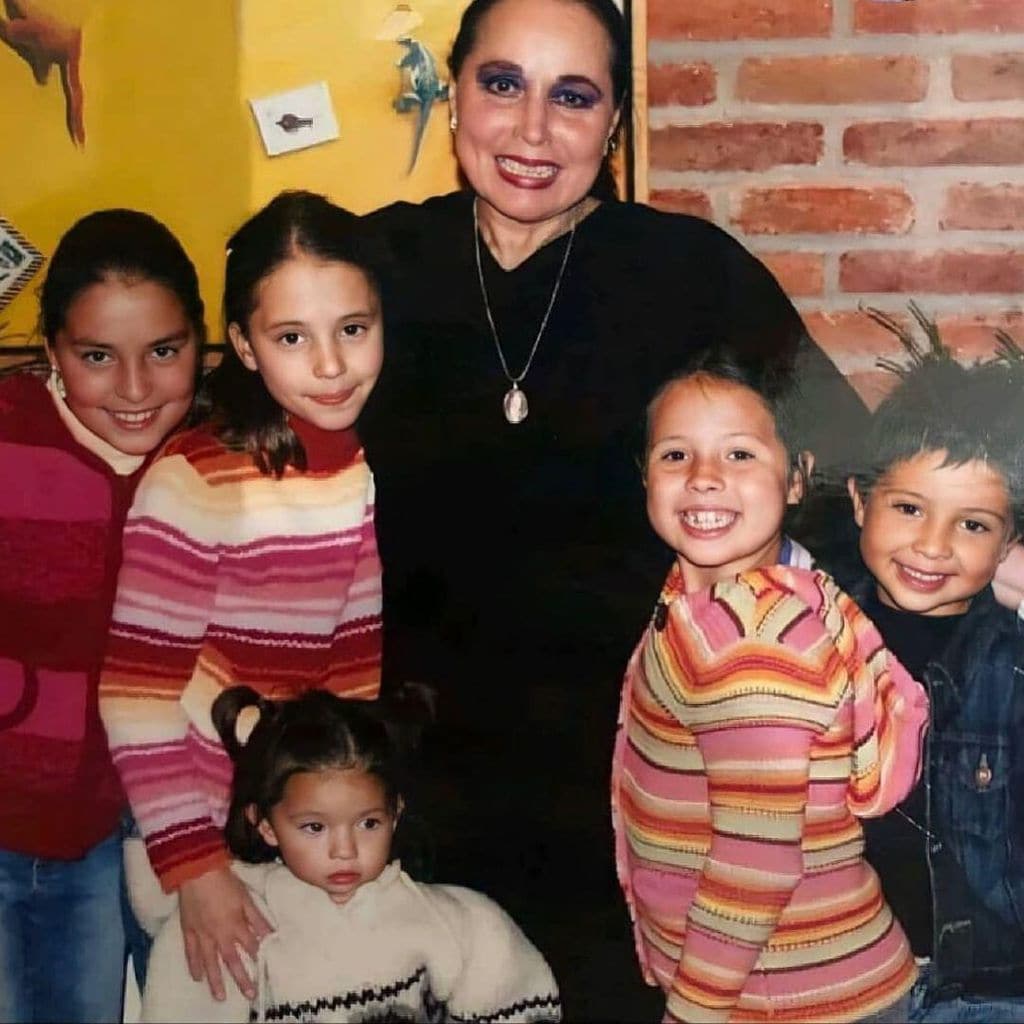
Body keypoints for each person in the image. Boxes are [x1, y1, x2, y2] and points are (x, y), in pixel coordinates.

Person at [356, 0, 868, 1015]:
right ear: (452, 89)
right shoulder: (370, 265)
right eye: (501, 83)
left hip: (634, 792)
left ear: (615, 122)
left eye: (573, 96)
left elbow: (840, 469)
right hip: (402, 791)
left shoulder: (688, 273)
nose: (532, 131)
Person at [99, 191, 384, 1007]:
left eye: (353, 330)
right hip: (192, 840)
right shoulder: (195, 480)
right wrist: (196, 871)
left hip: (296, 836)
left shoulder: (351, 470)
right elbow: (135, 696)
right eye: (292, 337)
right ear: (247, 348)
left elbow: (352, 680)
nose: (330, 366)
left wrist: (345, 822)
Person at [611, 350, 930, 1023]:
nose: (703, 479)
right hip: (778, 985)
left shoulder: (753, 642)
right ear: (644, 475)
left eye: (739, 456)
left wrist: (690, 1012)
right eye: (675, 455)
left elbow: (756, 866)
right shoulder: (710, 597)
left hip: (791, 1000)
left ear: (796, 480)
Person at [0, 208, 204, 1023]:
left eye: (164, 351)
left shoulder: (215, 458)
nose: (133, 389)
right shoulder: (10, 441)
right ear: (50, 350)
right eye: (95, 356)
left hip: (138, 837)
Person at [131, 686, 562, 1023]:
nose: (345, 850)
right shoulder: (233, 924)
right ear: (265, 824)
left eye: (368, 823)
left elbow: (517, 1004)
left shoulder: (456, 921)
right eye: (314, 828)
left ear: (396, 813)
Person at [829, 318, 1024, 1022]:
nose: (932, 546)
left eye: (973, 524)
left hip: (985, 984)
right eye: (908, 508)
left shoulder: (1013, 656)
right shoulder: (807, 634)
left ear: (1010, 542)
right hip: (837, 970)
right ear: (858, 500)